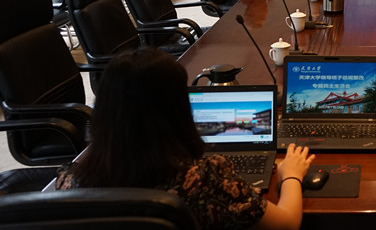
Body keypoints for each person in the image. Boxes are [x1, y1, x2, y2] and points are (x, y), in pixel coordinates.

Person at [56, 47, 315, 230]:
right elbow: (287, 223)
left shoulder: (70, 182)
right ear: (177, 109)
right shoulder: (203, 180)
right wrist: (291, 175)